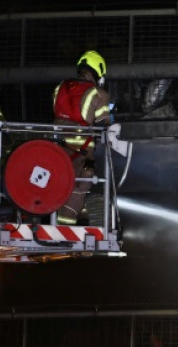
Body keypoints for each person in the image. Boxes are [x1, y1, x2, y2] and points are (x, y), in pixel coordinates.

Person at [52, 50, 111, 224]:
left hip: (56, 152)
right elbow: (105, 126)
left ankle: (80, 220)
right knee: (78, 189)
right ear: (97, 72)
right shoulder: (99, 94)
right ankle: (65, 233)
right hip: (82, 156)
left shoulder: (59, 87)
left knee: (64, 191)